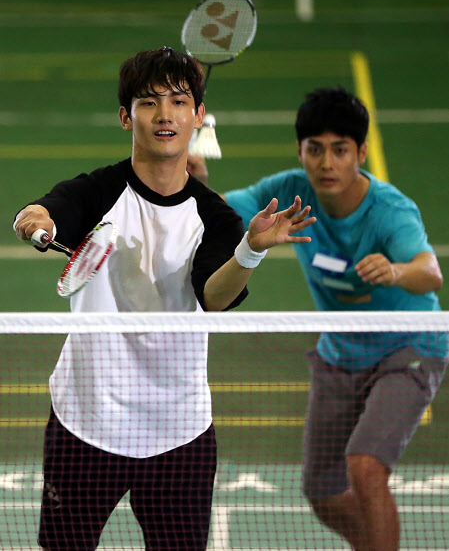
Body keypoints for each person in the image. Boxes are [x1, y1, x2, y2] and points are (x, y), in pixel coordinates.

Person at [12, 47, 316, 551]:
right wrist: (34, 218)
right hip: (86, 422)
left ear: (198, 115)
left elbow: (215, 297)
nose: (164, 115)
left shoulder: (215, 217)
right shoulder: (98, 192)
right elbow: (47, 209)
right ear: (125, 116)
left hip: (178, 430)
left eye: (178, 101)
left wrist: (251, 250)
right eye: (149, 102)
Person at [188, 86, 448, 551]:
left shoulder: (389, 211)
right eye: (316, 149)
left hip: (409, 347)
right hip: (341, 354)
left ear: (361, 153)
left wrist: (395, 271)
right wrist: (197, 184)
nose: (327, 163)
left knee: (365, 467)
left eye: (340, 150)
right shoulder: (288, 192)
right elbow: (216, 215)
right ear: (300, 151)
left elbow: (430, 273)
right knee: (322, 492)